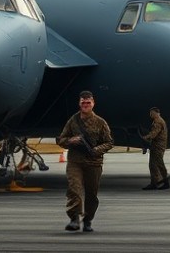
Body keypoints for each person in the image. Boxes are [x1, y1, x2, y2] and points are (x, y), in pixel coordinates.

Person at [56, 90, 114, 232]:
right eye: (83, 102)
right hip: (75, 161)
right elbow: (61, 139)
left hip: (93, 163)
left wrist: (96, 150)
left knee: (91, 194)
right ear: (79, 103)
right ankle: (74, 218)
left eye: (88, 103)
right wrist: (71, 140)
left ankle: (87, 219)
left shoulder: (100, 123)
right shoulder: (73, 121)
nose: (86, 105)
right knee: (74, 190)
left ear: (93, 103)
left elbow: (109, 142)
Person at [141, 107, 169, 190]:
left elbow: (154, 133)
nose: (151, 115)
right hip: (156, 146)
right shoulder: (158, 121)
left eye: (152, 113)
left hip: (158, 146)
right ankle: (155, 182)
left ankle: (165, 181)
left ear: (157, 113)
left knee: (159, 164)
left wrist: (146, 137)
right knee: (153, 164)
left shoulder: (158, 122)